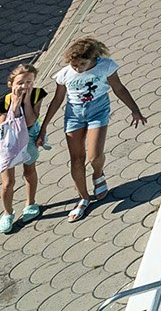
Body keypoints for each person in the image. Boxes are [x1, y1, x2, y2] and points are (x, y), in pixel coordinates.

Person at [38, 37, 146, 223]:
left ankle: (98, 174)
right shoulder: (64, 75)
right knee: (76, 159)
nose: (78, 68)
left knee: (94, 157)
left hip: (98, 110)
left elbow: (118, 88)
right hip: (74, 115)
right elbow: (57, 101)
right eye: (74, 64)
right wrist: (44, 127)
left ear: (93, 58)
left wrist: (135, 110)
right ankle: (83, 198)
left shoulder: (105, 66)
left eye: (82, 64)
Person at [0, 64, 45, 234]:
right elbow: (5, 126)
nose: (25, 86)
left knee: (29, 171)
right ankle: (7, 213)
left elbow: (30, 121)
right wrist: (14, 104)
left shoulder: (37, 94)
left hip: (28, 138)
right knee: (8, 182)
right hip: (8, 143)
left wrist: (27, 101)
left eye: (29, 81)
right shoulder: (2, 102)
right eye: (20, 82)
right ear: (11, 84)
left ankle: (30, 204)